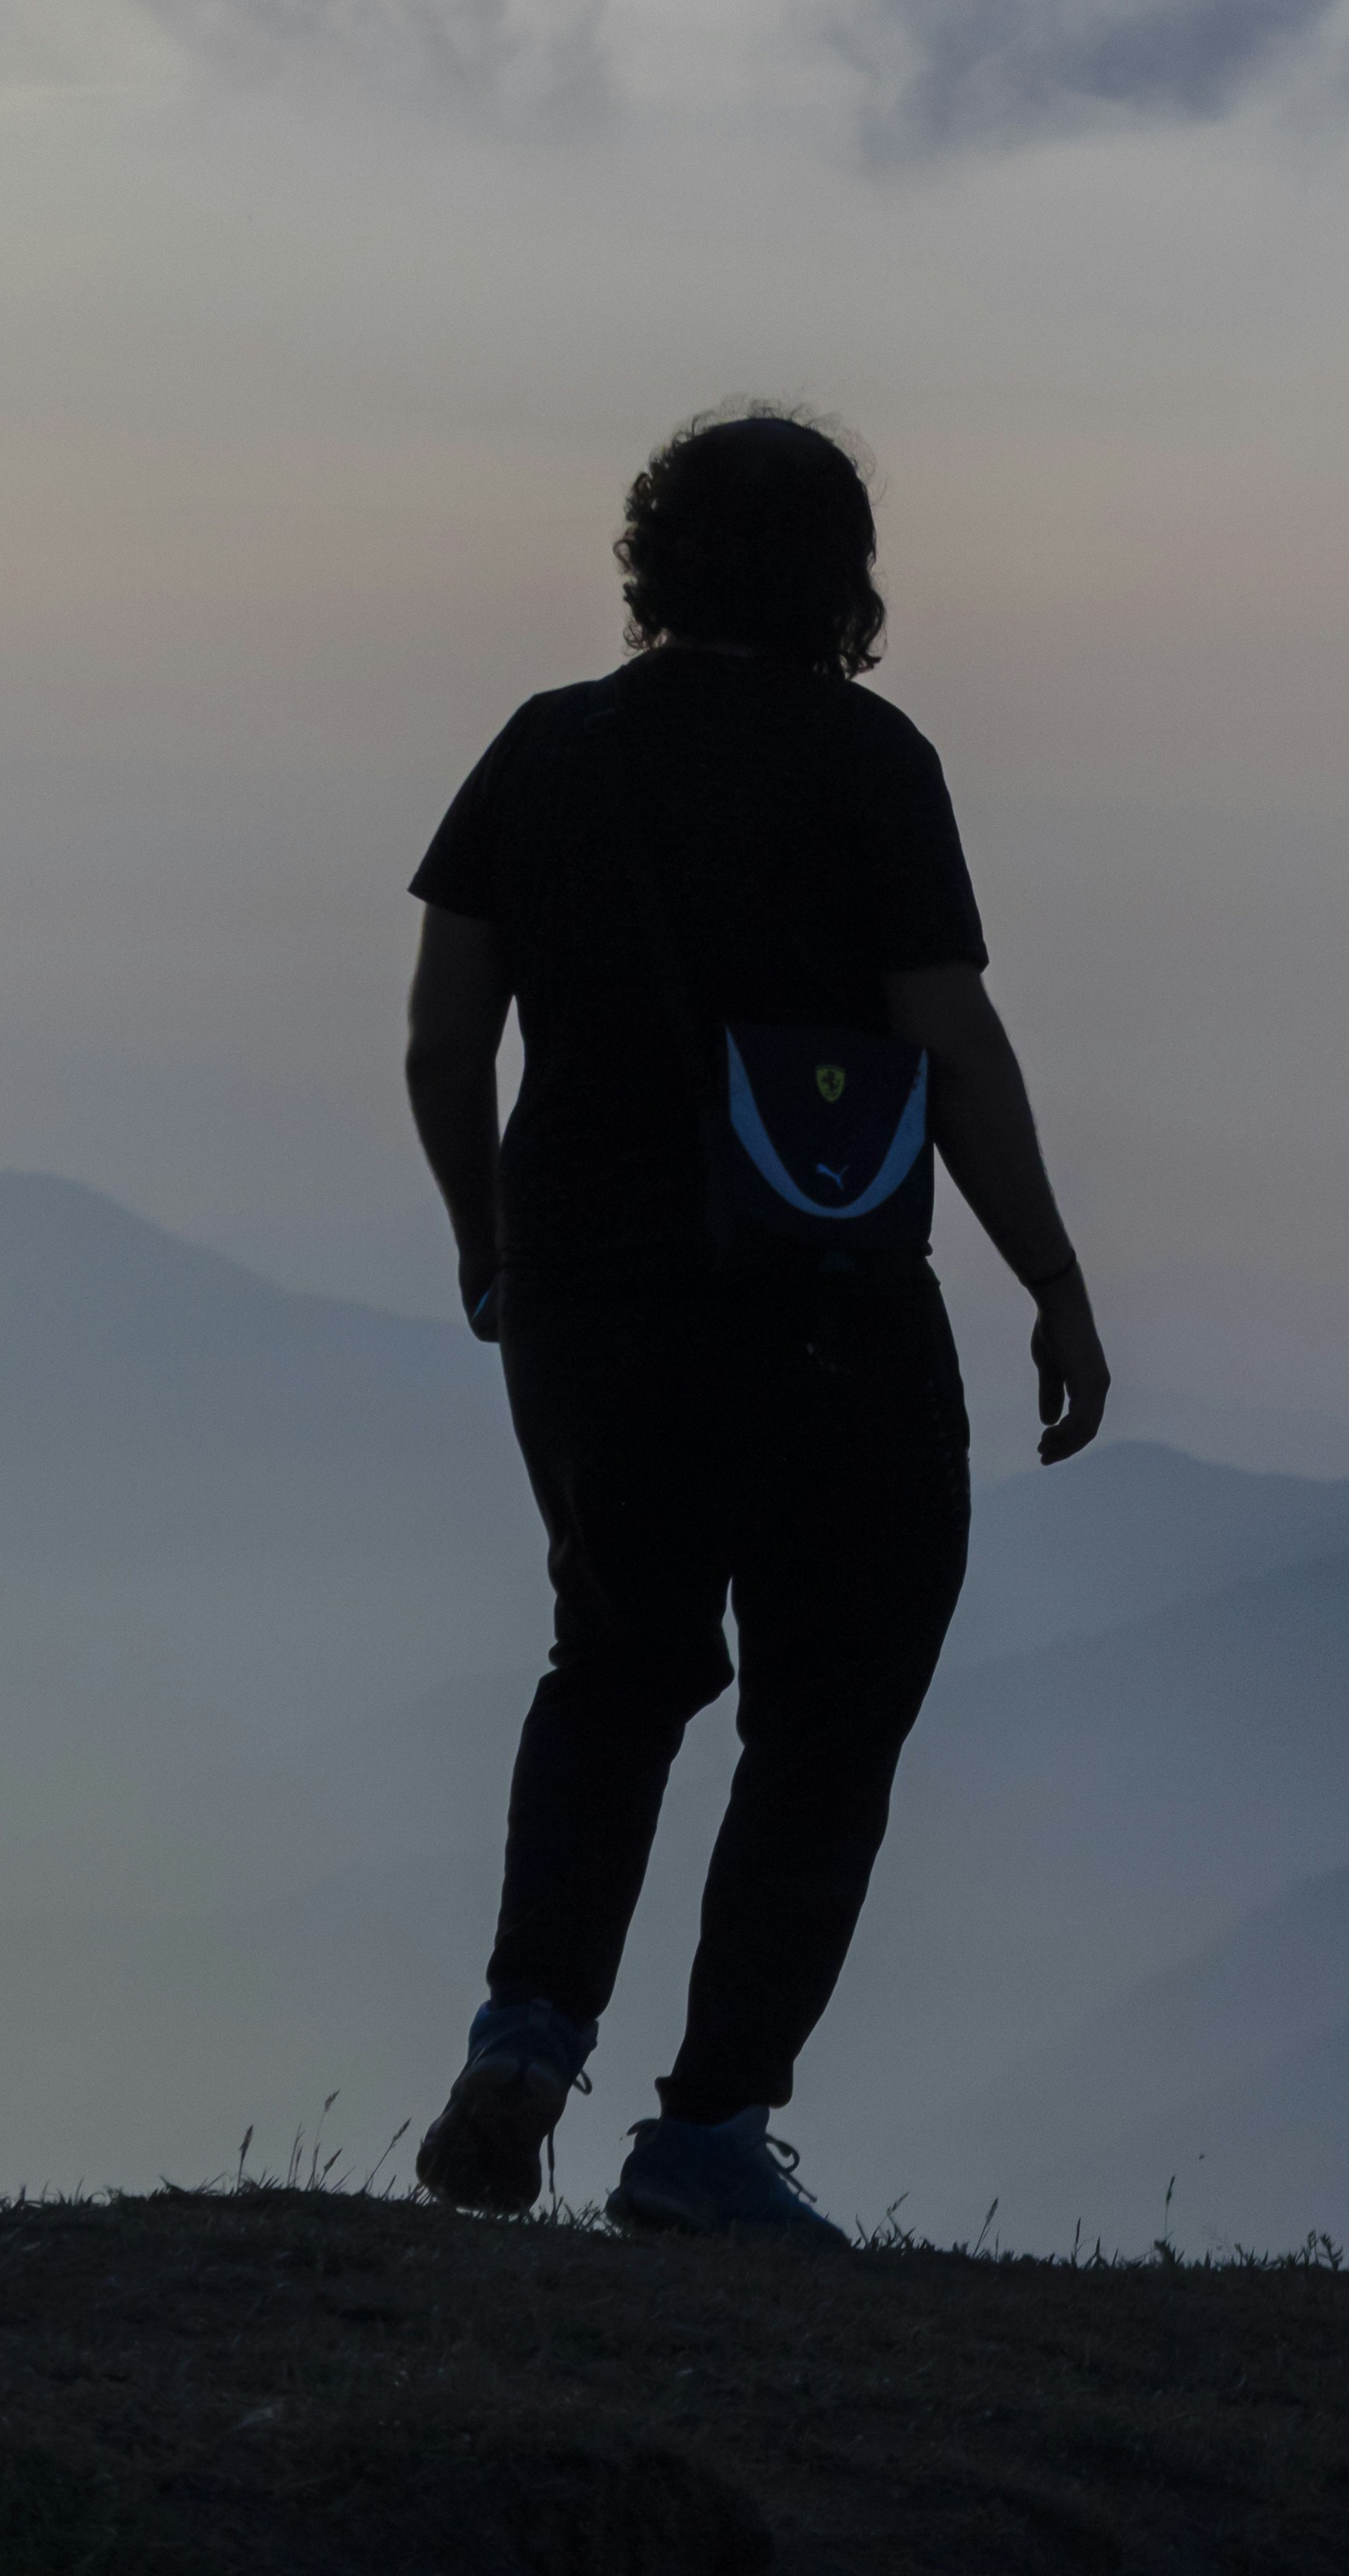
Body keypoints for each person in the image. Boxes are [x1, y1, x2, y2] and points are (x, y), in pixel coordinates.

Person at [395, 404, 1108, 2247]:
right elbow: (945, 1037)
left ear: (651, 558)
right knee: (828, 1713)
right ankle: (707, 2131)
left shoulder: (542, 751)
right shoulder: (869, 759)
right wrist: (1051, 1274)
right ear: (841, 577)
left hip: (585, 1299)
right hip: (824, 1313)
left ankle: (526, 2033)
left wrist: (489, 1242)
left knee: (612, 1663)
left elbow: (442, 1032)